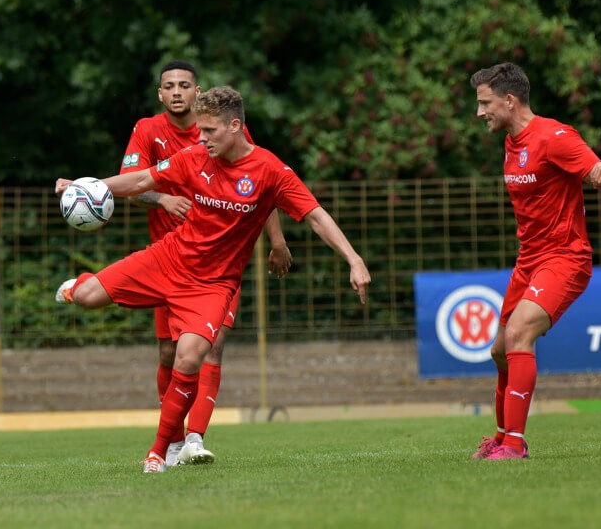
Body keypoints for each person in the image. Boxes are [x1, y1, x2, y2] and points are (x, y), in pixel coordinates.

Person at [56, 86, 370, 473]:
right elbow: (141, 181)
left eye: (209, 131)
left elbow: (317, 216)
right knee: (87, 297)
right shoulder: (195, 157)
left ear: (235, 126)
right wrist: (85, 187)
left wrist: (354, 260)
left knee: (190, 357)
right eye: (200, 131)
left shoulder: (272, 172)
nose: (200, 138)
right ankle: (80, 283)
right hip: (169, 259)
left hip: (213, 285)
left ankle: (157, 453)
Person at [120, 61, 292, 466]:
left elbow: (260, 185)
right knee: (168, 353)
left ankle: (196, 437)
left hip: (218, 265)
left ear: (198, 93)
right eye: (169, 86)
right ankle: (174, 441)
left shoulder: (229, 130)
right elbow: (131, 181)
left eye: (185, 85)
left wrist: (278, 240)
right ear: (160, 95)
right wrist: (163, 198)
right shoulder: (148, 130)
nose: (177, 92)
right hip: (167, 260)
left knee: (210, 347)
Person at [468, 62, 601, 460]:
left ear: (510, 100)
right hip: (529, 261)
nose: (480, 112)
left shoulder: (555, 137)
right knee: (499, 351)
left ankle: (515, 446)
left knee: (519, 336)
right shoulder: (511, 141)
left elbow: (598, 172)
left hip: (565, 258)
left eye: (485, 103)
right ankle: (500, 438)